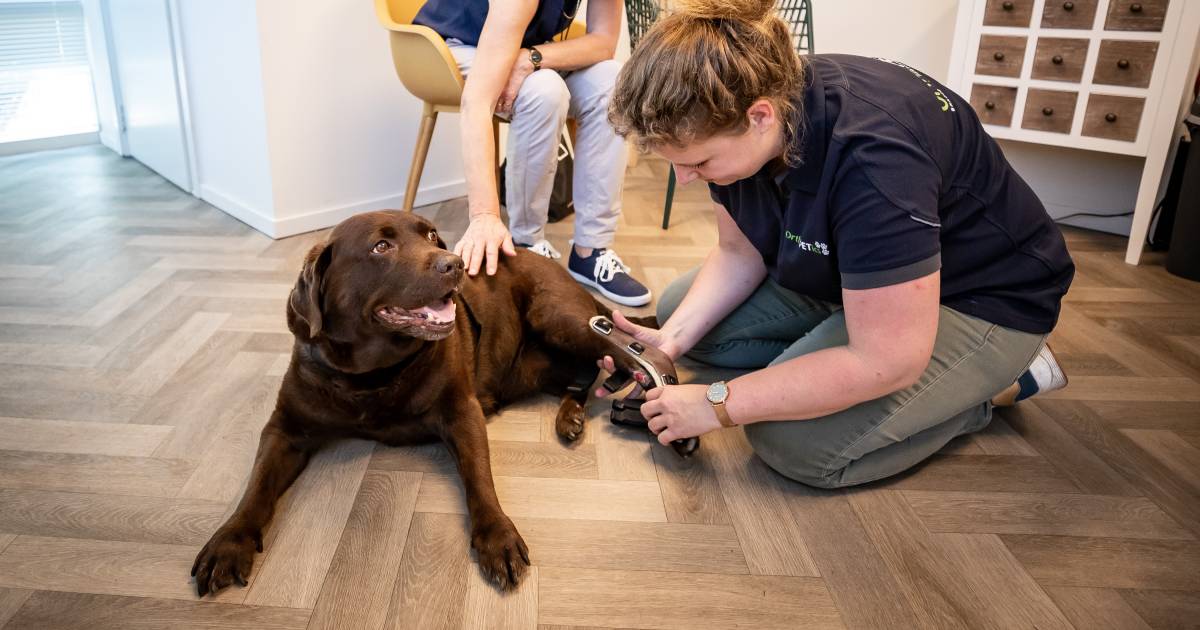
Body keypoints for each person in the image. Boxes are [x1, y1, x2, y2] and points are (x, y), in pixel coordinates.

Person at [600, 0, 1075, 488]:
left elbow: (886, 361)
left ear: (760, 116)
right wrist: (669, 342)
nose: (686, 177)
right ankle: (839, 336)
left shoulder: (876, 162)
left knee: (791, 445)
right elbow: (737, 252)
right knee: (685, 312)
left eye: (699, 162)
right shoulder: (740, 106)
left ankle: (992, 387)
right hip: (862, 279)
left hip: (982, 299)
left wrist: (716, 403)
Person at [413, 0, 652, 307]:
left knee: (612, 81)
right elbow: (477, 104)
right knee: (544, 91)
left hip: (524, 46)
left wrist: (533, 57)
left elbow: (604, 42)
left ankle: (591, 252)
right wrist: (485, 215)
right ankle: (525, 246)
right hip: (456, 44)